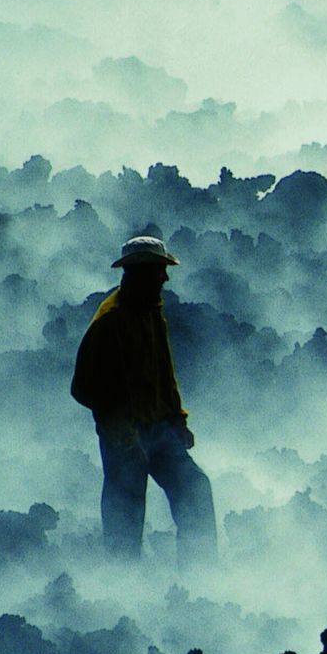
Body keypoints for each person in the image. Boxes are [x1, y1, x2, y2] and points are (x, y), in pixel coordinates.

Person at [71, 235, 217, 565]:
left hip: (160, 430)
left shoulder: (152, 312)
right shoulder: (110, 321)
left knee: (195, 489)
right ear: (138, 272)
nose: (165, 278)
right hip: (124, 440)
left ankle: (202, 577)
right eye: (159, 270)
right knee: (125, 521)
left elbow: (164, 373)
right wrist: (122, 432)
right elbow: (82, 387)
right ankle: (122, 588)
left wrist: (178, 420)